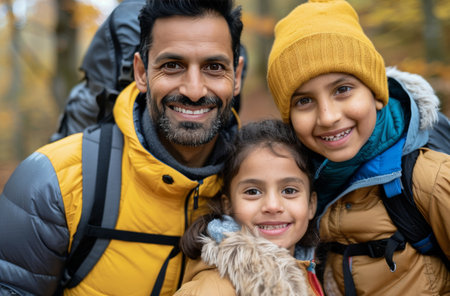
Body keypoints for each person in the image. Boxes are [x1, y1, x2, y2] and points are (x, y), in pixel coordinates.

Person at [0, 0, 244, 295]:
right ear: (141, 72)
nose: (194, 90)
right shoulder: (54, 183)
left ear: (237, 76)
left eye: (214, 67)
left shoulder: (264, 187)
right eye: (172, 66)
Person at [267, 0, 450, 295]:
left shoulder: (431, 179)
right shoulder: (299, 186)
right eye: (304, 101)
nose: (328, 117)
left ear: (377, 94)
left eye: (342, 90)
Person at [174, 119, 324, 296]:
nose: (273, 206)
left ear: (311, 204)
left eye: (289, 190)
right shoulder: (211, 289)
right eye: (253, 191)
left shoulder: (313, 273)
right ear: (228, 205)